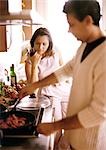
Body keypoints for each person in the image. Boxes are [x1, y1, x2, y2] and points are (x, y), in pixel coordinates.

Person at [19, 0, 106, 150]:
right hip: (76, 139)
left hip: (90, 143)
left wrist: (55, 126)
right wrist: (35, 85)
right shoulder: (85, 46)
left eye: (71, 24)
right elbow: (66, 70)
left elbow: (97, 112)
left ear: (88, 21)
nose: (69, 30)